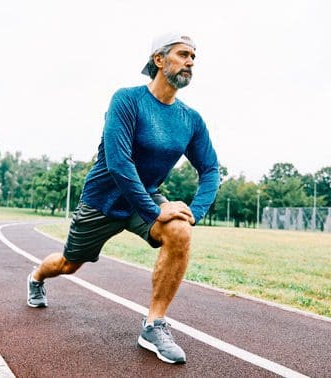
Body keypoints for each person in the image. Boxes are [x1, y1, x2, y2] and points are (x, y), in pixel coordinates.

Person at [27, 32, 220, 364]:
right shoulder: (127, 100)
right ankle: (36, 277)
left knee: (180, 230)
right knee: (69, 264)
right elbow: (119, 162)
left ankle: (154, 325)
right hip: (103, 200)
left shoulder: (191, 119)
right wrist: (153, 211)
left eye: (193, 57)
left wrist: (195, 212)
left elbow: (211, 168)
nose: (190, 61)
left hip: (145, 197)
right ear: (159, 60)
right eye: (183, 54)